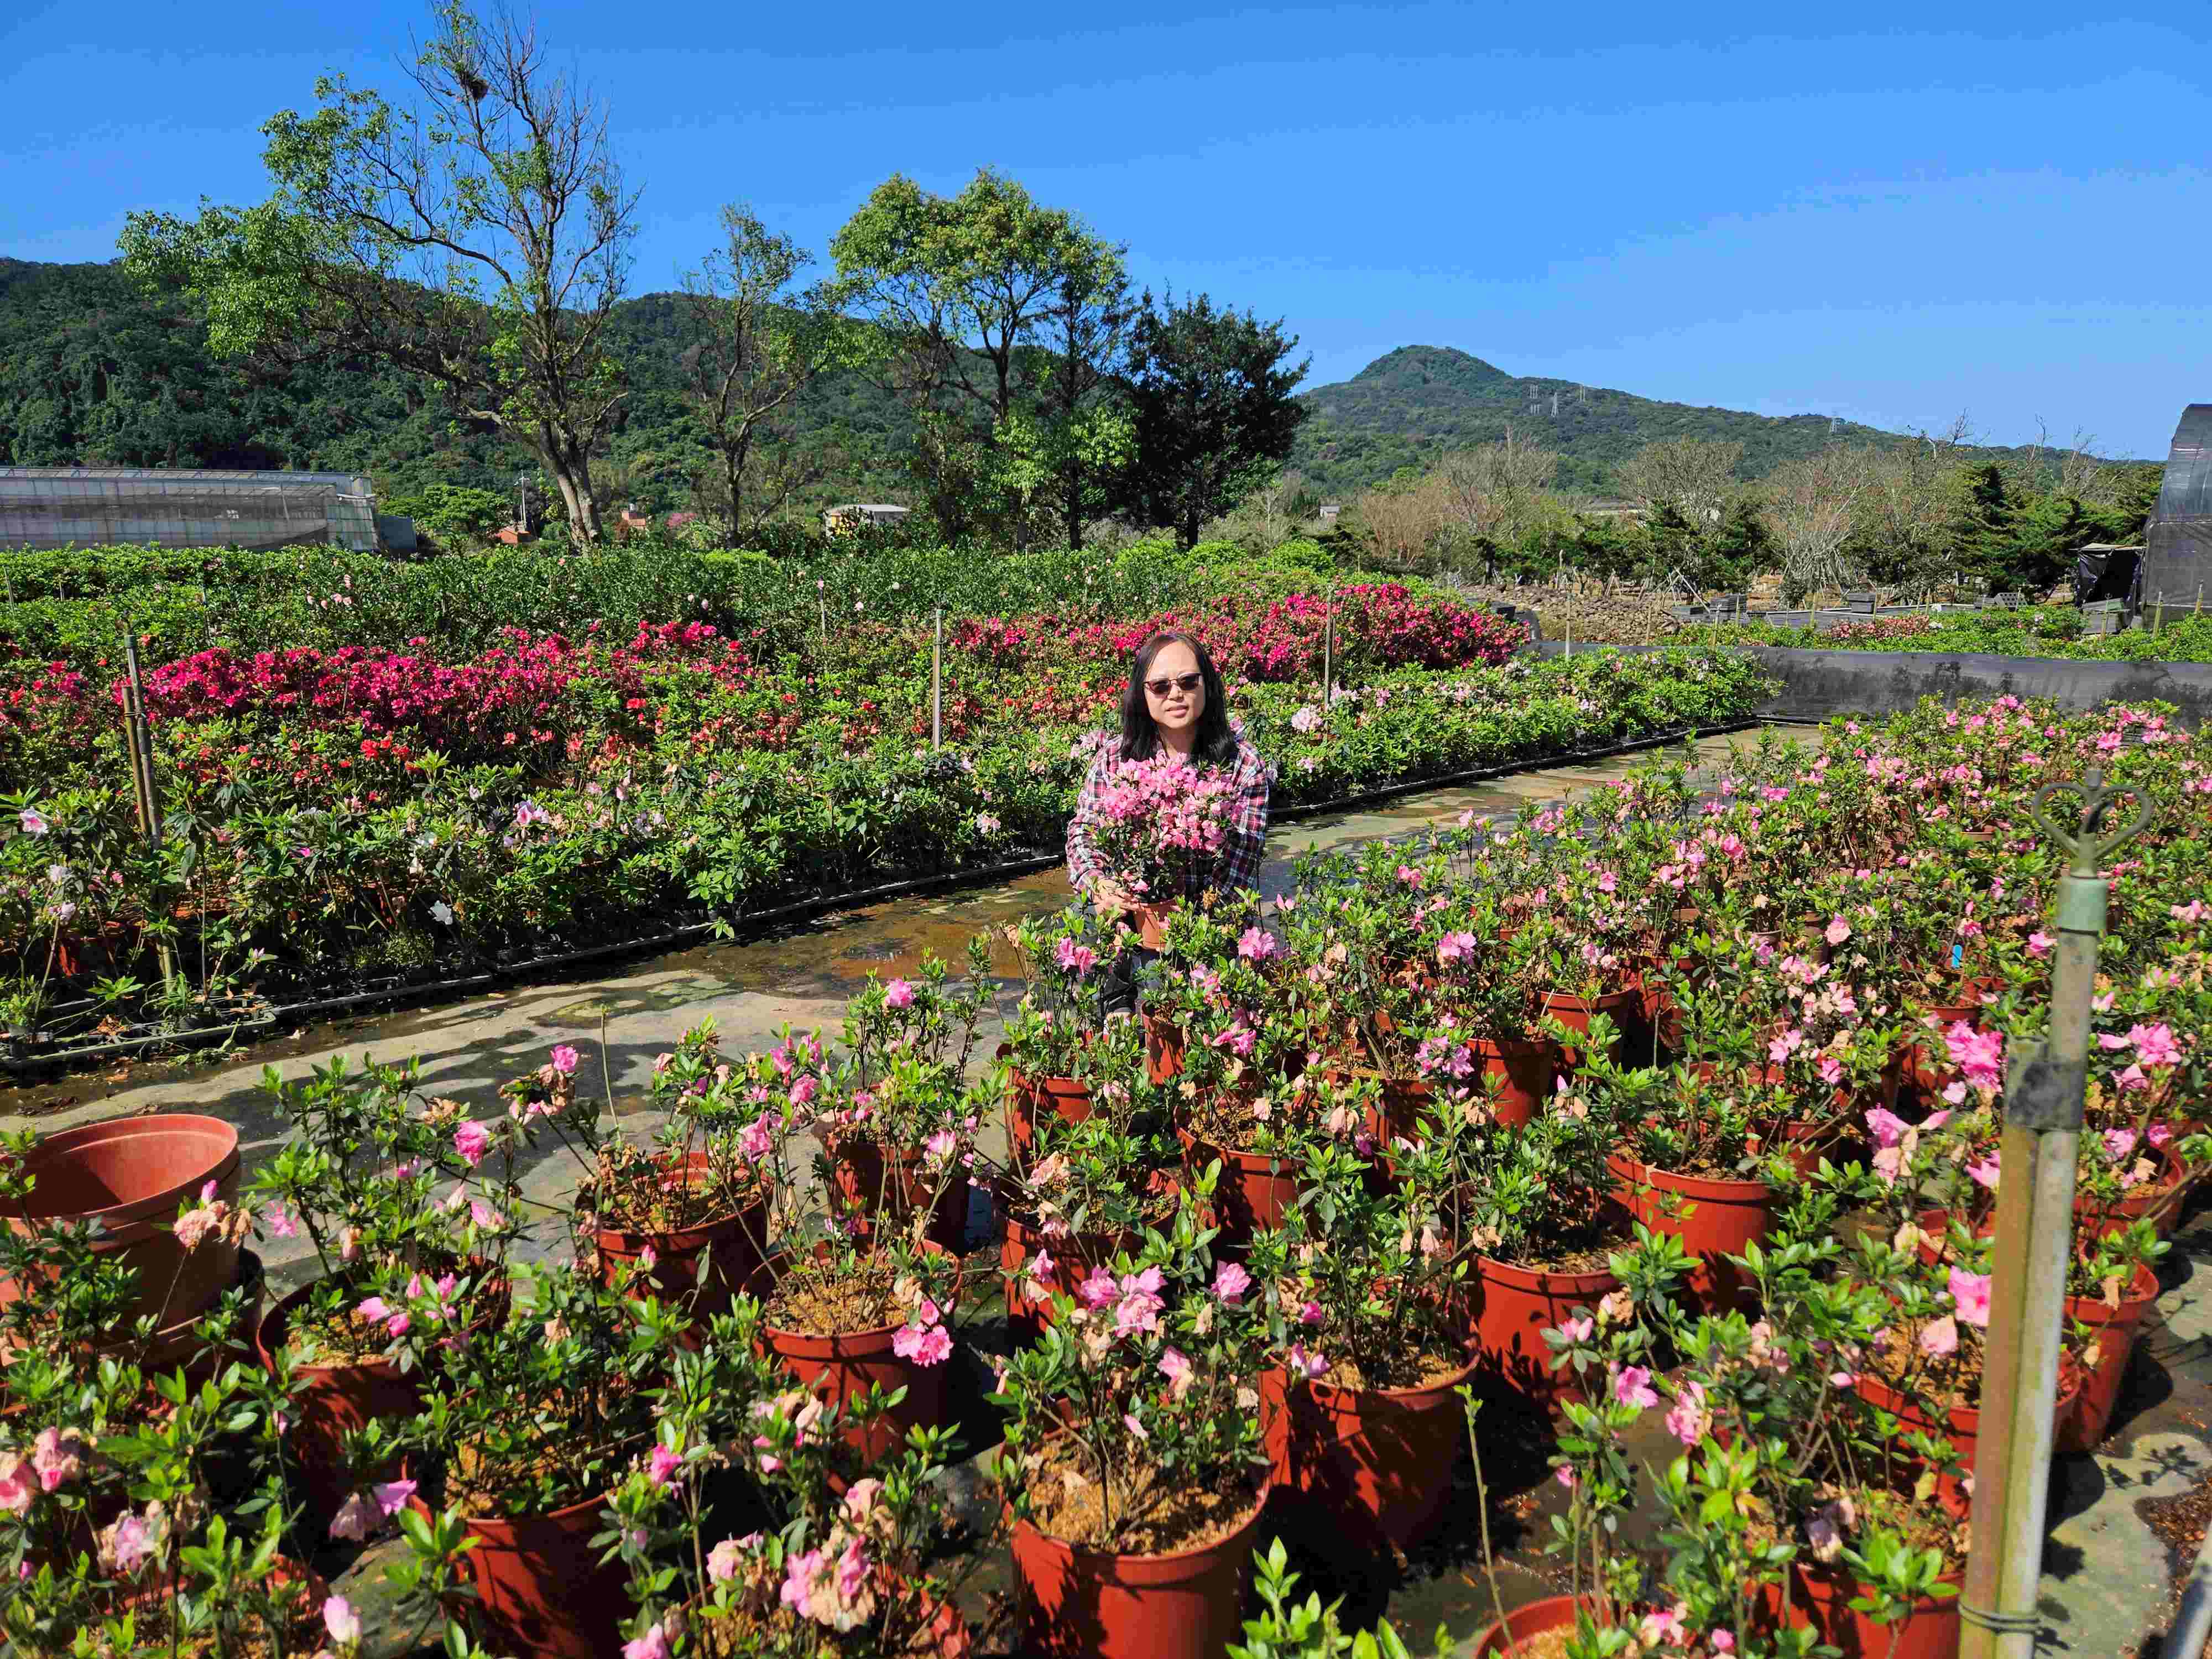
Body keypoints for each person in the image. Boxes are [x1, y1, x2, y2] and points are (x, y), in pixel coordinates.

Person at [1065, 630, 1272, 1018]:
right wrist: (1099, 884)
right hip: (1127, 924)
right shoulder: (1115, 759)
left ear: (1206, 685)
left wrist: (1185, 930)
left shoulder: (1243, 765)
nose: (1175, 694)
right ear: (1142, 695)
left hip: (1207, 934)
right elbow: (1082, 834)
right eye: (1160, 686)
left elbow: (1238, 869)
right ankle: (1116, 1006)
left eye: (1188, 682)